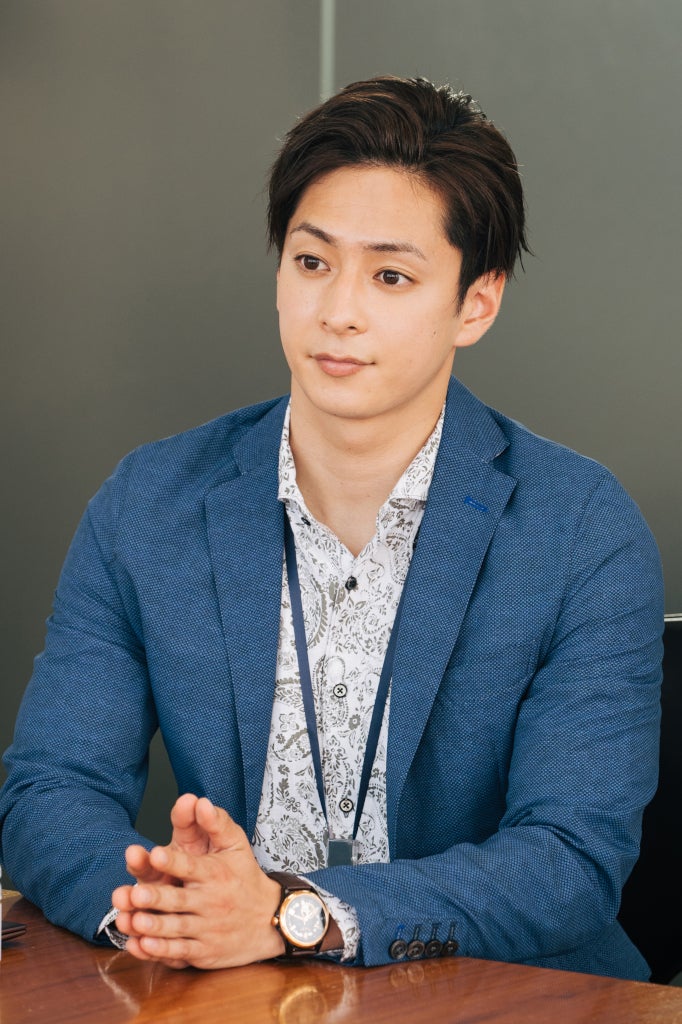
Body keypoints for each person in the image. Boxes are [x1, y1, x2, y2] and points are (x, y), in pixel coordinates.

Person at [0, 76, 663, 978]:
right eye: (312, 262)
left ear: (476, 302)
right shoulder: (150, 503)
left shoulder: (579, 530)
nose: (338, 310)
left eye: (391, 276)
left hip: (501, 995)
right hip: (223, 991)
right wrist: (167, 916)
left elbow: (569, 860)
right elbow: (52, 788)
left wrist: (293, 916)